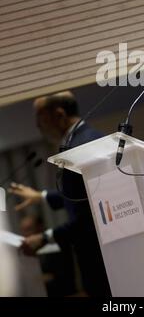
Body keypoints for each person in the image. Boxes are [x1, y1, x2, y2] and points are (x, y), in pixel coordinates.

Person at [9, 91, 111, 297]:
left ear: (59, 115)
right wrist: (43, 196)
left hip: (100, 257)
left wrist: (46, 237)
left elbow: (90, 216)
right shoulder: (88, 139)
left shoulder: (79, 148)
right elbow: (85, 196)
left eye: (41, 119)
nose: (38, 126)